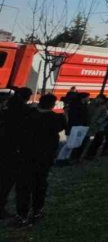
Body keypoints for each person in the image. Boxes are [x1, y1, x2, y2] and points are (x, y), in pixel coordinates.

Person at [14, 94, 66, 227]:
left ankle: (22, 214)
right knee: (40, 184)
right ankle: (37, 210)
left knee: (24, 186)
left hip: (25, 156)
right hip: (44, 157)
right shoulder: (56, 118)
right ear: (52, 105)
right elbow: (63, 126)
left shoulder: (28, 116)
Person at [0, 87, 32, 217]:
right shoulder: (25, 113)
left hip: (5, 148)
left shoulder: (6, 111)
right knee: (5, 182)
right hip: (13, 151)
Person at [57, 92, 90, 164]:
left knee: (71, 144)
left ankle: (64, 158)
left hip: (75, 126)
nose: (88, 98)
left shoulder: (78, 105)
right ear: (83, 98)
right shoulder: (77, 106)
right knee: (69, 144)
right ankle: (61, 158)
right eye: (87, 97)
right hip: (74, 126)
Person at [85, 95, 108, 159]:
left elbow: (104, 115)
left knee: (98, 140)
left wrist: (98, 122)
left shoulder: (100, 106)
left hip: (97, 125)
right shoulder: (92, 105)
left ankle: (91, 154)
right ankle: (89, 154)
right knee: (94, 140)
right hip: (93, 124)